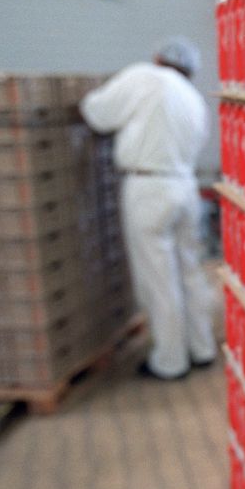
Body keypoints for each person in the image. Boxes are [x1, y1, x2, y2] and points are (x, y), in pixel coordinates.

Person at [80, 37, 217, 380]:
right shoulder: (194, 99)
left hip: (149, 187)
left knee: (158, 278)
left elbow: (97, 112)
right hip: (186, 187)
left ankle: (170, 361)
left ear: (158, 57)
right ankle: (202, 349)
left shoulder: (144, 77)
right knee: (191, 270)